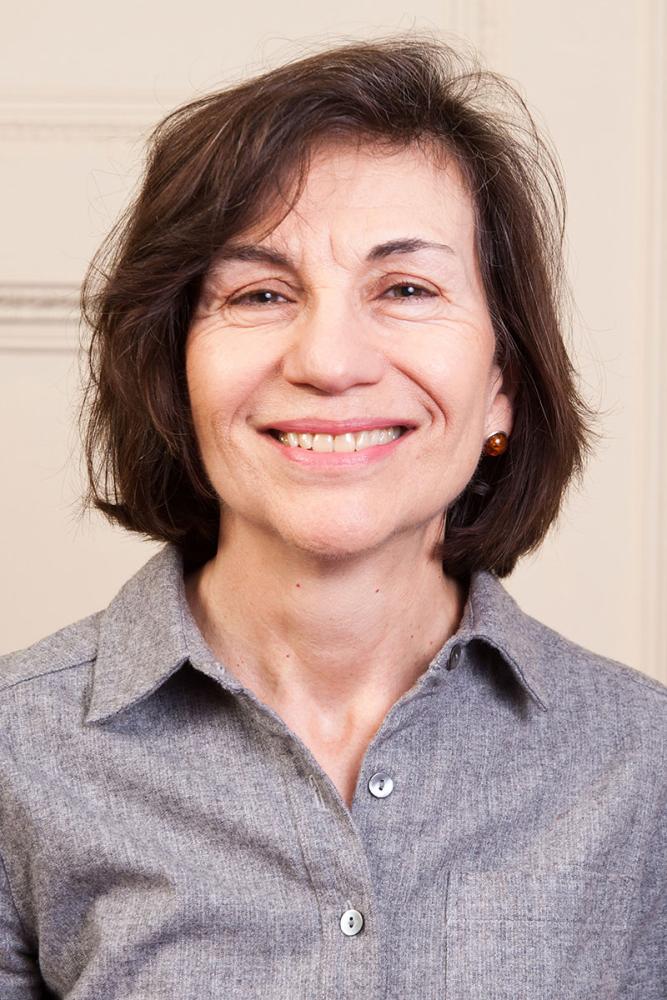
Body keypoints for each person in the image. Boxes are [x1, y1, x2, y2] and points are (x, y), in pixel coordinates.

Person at [0, 34, 665, 1000]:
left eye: (406, 289)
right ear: (174, 374)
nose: (328, 360)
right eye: (261, 293)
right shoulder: (16, 752)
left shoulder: (642, 766)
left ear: (502, 386)